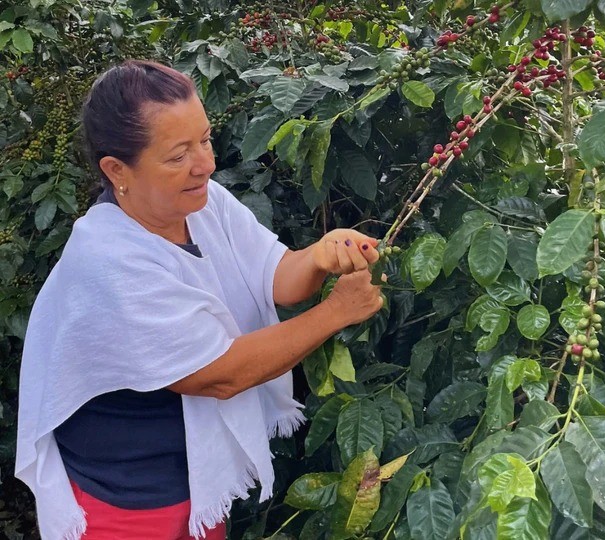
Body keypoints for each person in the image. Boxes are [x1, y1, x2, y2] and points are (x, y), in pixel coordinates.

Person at [15, 60, 384, 540]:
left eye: (205, 140)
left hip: (194, 481)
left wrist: (321, 255)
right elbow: (221, 375)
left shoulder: (203, 200)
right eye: (178, 154)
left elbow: (275, 276)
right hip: (126, 501)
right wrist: (336, 313)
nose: (205, 164)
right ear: (116, 169)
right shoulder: (107, 258)